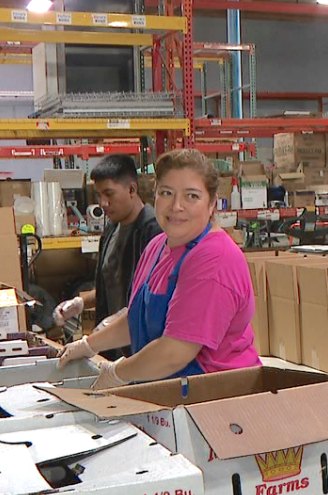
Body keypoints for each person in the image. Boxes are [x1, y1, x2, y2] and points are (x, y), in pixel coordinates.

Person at [58, 149, 260, 389]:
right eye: (166, 193)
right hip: (171, 388)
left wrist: (117, 373)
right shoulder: (158, 246)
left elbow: (175, 351)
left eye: (192, 196)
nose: (176, 206)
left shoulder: (215, 258)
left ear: (212, 203)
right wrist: (89, 345)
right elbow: (137, 320)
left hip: (218, 395)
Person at [53, 154, 163, 358]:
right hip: (113, 349)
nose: (103, 203)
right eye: (98, 195)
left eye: (109, 194)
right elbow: (111, 284)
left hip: (142, 349)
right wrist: (80, 302)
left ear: (132, 190)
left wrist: (119, 321)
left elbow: (155, 297)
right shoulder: (111, 230)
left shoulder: (154, 232)